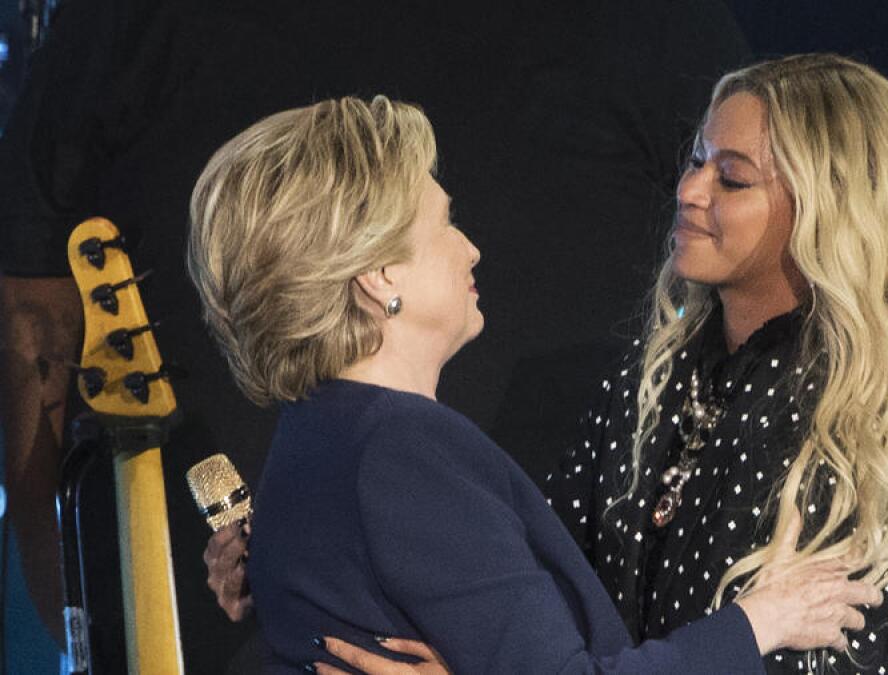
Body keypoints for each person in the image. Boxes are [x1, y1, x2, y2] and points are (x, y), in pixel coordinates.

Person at [204, 54, 888, 673]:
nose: (689, 190)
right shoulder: (653, 384)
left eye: (733, 177)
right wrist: (298, 556)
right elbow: (531, 594)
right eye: (694, 159)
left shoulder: (873, 422)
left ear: (831, 210)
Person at [0, 0, 748, 670]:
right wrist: (754, 625)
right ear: (378, 277)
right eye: (448, 225)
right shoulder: (408, 449)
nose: (472, 248)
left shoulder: (312, 434)